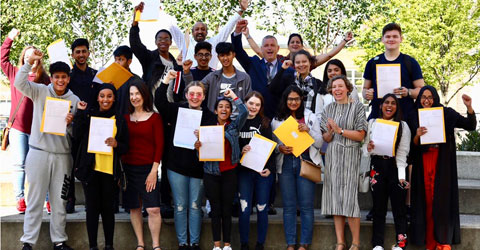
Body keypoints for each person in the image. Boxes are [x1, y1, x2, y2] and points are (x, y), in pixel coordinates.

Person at [16, 50, 79, 250]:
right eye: (56, 77)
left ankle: (59, 241)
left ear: (68, 79)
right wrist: (29, 63)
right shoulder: (41, 91)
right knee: (34, 199)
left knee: (59, 201)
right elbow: (19, 83)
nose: (60, 80)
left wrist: (70, 124)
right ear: (51, 78)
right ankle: (28, 241)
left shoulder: (75, 100)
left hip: (62, 156)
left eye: (63, 77)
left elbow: (76, 133)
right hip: (38, 152)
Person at [408, 86, 476, 250]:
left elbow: (470, 125)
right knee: (428, 200)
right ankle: (430, 242)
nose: (426, 100)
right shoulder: (413, 115)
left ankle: (443, 241)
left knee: (441, 200)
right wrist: (417, 135)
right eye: (423, 97)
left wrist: (469, 107)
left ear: (436, 98)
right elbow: (412, 146)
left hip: (442, 163)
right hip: (423, 163)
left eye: (430, 97)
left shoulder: (447, 113)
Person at [154, 70, 216, 250]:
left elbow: (214, 142)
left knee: (196, 206)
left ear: (203, 97)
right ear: (186, 95)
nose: (195, 97)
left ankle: (194, 243)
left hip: (198, 168)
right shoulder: (176, 109)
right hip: (176, 166)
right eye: (192, 94)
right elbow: (160, 101)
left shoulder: (210, 116)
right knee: (180, 206)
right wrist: (166, 80)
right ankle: (183, 243)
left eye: (199, 94)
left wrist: (202, 140)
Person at [73, 84, 129, 250]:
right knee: (91, 209)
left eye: (109, 96)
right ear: (97, 98)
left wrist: (117, 143)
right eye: (102, 96)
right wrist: (81, 113)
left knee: (108, 210)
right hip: (91, 170)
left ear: (114, 98)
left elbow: (126, 147)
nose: (105, 99)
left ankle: (109, 245)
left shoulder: (119, 119)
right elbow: (77, 134)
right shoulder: (89, 115)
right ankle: (92, 246)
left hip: (110, 171)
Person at [1, 28, 50, 213]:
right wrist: (10, 38)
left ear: (39, 58)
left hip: (38, 128)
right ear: (24, 58)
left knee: (41, 166)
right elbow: (2, 59)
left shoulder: (45, 79)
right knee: (20, 164)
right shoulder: (15, 73)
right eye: (28, 56)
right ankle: (20, 199)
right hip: (19, 128)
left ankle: (47, 200)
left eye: (34, 56)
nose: (31, 59)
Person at [271, 86, 323, 250]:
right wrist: (279, 148)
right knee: (289, 206)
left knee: (307, 205)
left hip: (305, 160)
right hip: (286, 162)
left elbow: (320, 143)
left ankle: (304, 244)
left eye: (296, 99)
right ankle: (291, 243)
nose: (293, 102)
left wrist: (309, 131)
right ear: (285, 100)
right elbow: (272, 144)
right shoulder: (277, 119)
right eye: (290, 99)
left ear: (301, 100)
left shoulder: (310, 116)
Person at [195, 89, 248, 250]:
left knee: (227, 210)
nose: (224, 109)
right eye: (221, 106)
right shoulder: (207, 128)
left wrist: (233, 96)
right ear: (216, 110)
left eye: (227, 107)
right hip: (211, 173)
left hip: (229, 172)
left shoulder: (233, 127)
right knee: (215, 210)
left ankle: (227, 245)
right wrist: (197, 146)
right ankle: (216, 245)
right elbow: (200, 153)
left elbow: (244, 111)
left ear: (230, 111)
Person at [320, 75, 367, 250]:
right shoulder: (327, 109)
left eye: (340, 86)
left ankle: (355, 242)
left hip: (350, 157)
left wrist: (340, 130)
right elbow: (325, 137)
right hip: (332, 157)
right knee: (335, 200)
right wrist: (331, 132)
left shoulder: (358, 107)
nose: (337, 90)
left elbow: (360, 135)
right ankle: (341, 241)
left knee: (349, 200)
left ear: (347, 88)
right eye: (334, 87)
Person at [363, 94, 411, 250]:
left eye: (393, 103)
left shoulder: (403, 126)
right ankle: (377, 244)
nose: (389, 106)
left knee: (399, 208)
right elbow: (364, 149)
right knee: (378, 207)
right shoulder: (372, 123)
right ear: (381, 105)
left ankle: (401, 244)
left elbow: (403, 153)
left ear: (397, 107)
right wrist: (368, 148)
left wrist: (402, 177)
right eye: (386, 103)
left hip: (395, 167)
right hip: (376, 166)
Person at [122, 82, 164, 250]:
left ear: (144, 95)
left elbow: (159, 146)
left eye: (137, 94)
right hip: (128, 169)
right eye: (131, 94)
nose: (134, 97)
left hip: (148, 169)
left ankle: (156, 245)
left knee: (153, 209)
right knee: (134, 207)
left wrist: (154, 171)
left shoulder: (155, 118)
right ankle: (140, 243)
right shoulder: (125, 118)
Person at [362, 23, 425, 120]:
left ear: (401, 39)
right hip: (378, 117)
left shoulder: (410, 62)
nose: (391, 39)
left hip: (404, 118)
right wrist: (367, 93)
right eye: (388, 36)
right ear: (382, 39)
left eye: (395, 36)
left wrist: (408, 92)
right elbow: (365, 89)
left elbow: (422, 91)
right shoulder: (373, 63)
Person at [237, 91, 275, 250]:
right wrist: (241, 150)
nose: (253, 107)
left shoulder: (265, 123)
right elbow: (230, 146)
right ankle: (244, 244)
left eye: (257, 105)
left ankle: (260, 244)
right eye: (251, 103)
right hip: (244, 172)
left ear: (261, 107)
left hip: (261, 172)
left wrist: (270, 169)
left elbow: (271, 149)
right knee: (244, 209)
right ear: (245, 103)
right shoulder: (237, 122)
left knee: (262, 208)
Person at [166, 0, 249, 69]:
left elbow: (227, 28)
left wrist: (241, 10)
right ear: (192, 32)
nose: (200, 31)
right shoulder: (185, 42)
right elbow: (171, 26)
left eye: (203, 29)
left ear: (206, 33)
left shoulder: (213, 43)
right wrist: (161, 7)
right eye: (197, 29)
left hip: (210, 84)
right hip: (189, 83)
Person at [67, 38, 99, 213]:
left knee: (92, 164)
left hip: (94, 126)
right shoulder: (68, 77)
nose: (81, 55)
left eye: (84, 51)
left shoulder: (96, 75)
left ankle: (91, 201)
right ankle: (70, 199)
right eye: (77, 52)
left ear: (88, 53)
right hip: (74, 126)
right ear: (72, 54)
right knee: (72, 164)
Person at [130, 2, 182, 102]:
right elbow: (135, 45)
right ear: (156, 42)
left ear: (171, 42)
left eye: (166, 38)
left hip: (169, 111)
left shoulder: (176, 65)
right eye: (160, 39)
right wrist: (135, 22)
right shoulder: (149, 58)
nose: (163, 41)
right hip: (151, 109)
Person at [231, 21, 284, 119]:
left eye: (272, 45)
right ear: (261, 48)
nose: (269, 48)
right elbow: (238, 51)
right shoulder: (253, 64)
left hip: (279, 118)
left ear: (278, 48)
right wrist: (237, 32)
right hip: (257, 117)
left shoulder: (286, 69)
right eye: (266, 45)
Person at [243, 27, 353, 69]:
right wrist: (247, 35)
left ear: (301, 45)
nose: (295, 44)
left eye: (298, 42)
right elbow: (258, 50)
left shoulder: (308, 62)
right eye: (292, 42)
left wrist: (344, 41)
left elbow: (329, 55)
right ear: (288, 45)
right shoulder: (279, 60)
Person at [269, 50, 327, 119]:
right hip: (290, 124)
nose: (301, 64)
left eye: (304, 61)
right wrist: (282, 69)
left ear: (310, 62)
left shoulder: (318, 84)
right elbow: (272, 89)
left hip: (310, 124)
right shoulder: (288, 80)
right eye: (298, 62)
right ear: (294, 65)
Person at [201, 42, 251, 117]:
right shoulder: (212, 77)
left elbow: (249, 101)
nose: (225, 58)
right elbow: (196, 88)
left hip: (238, 121)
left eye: (228, 55)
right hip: (217, 121)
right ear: (218, 57)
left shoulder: (244, 77)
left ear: (233, 55)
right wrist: (186, 73)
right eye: (222, 55)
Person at [113, 45, 146, 115]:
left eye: (120, 59)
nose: (117, 63)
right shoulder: (110, 79)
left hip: (131, 120)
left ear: (129, 61)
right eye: (115, 60)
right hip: (112, 120)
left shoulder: (137, 81)